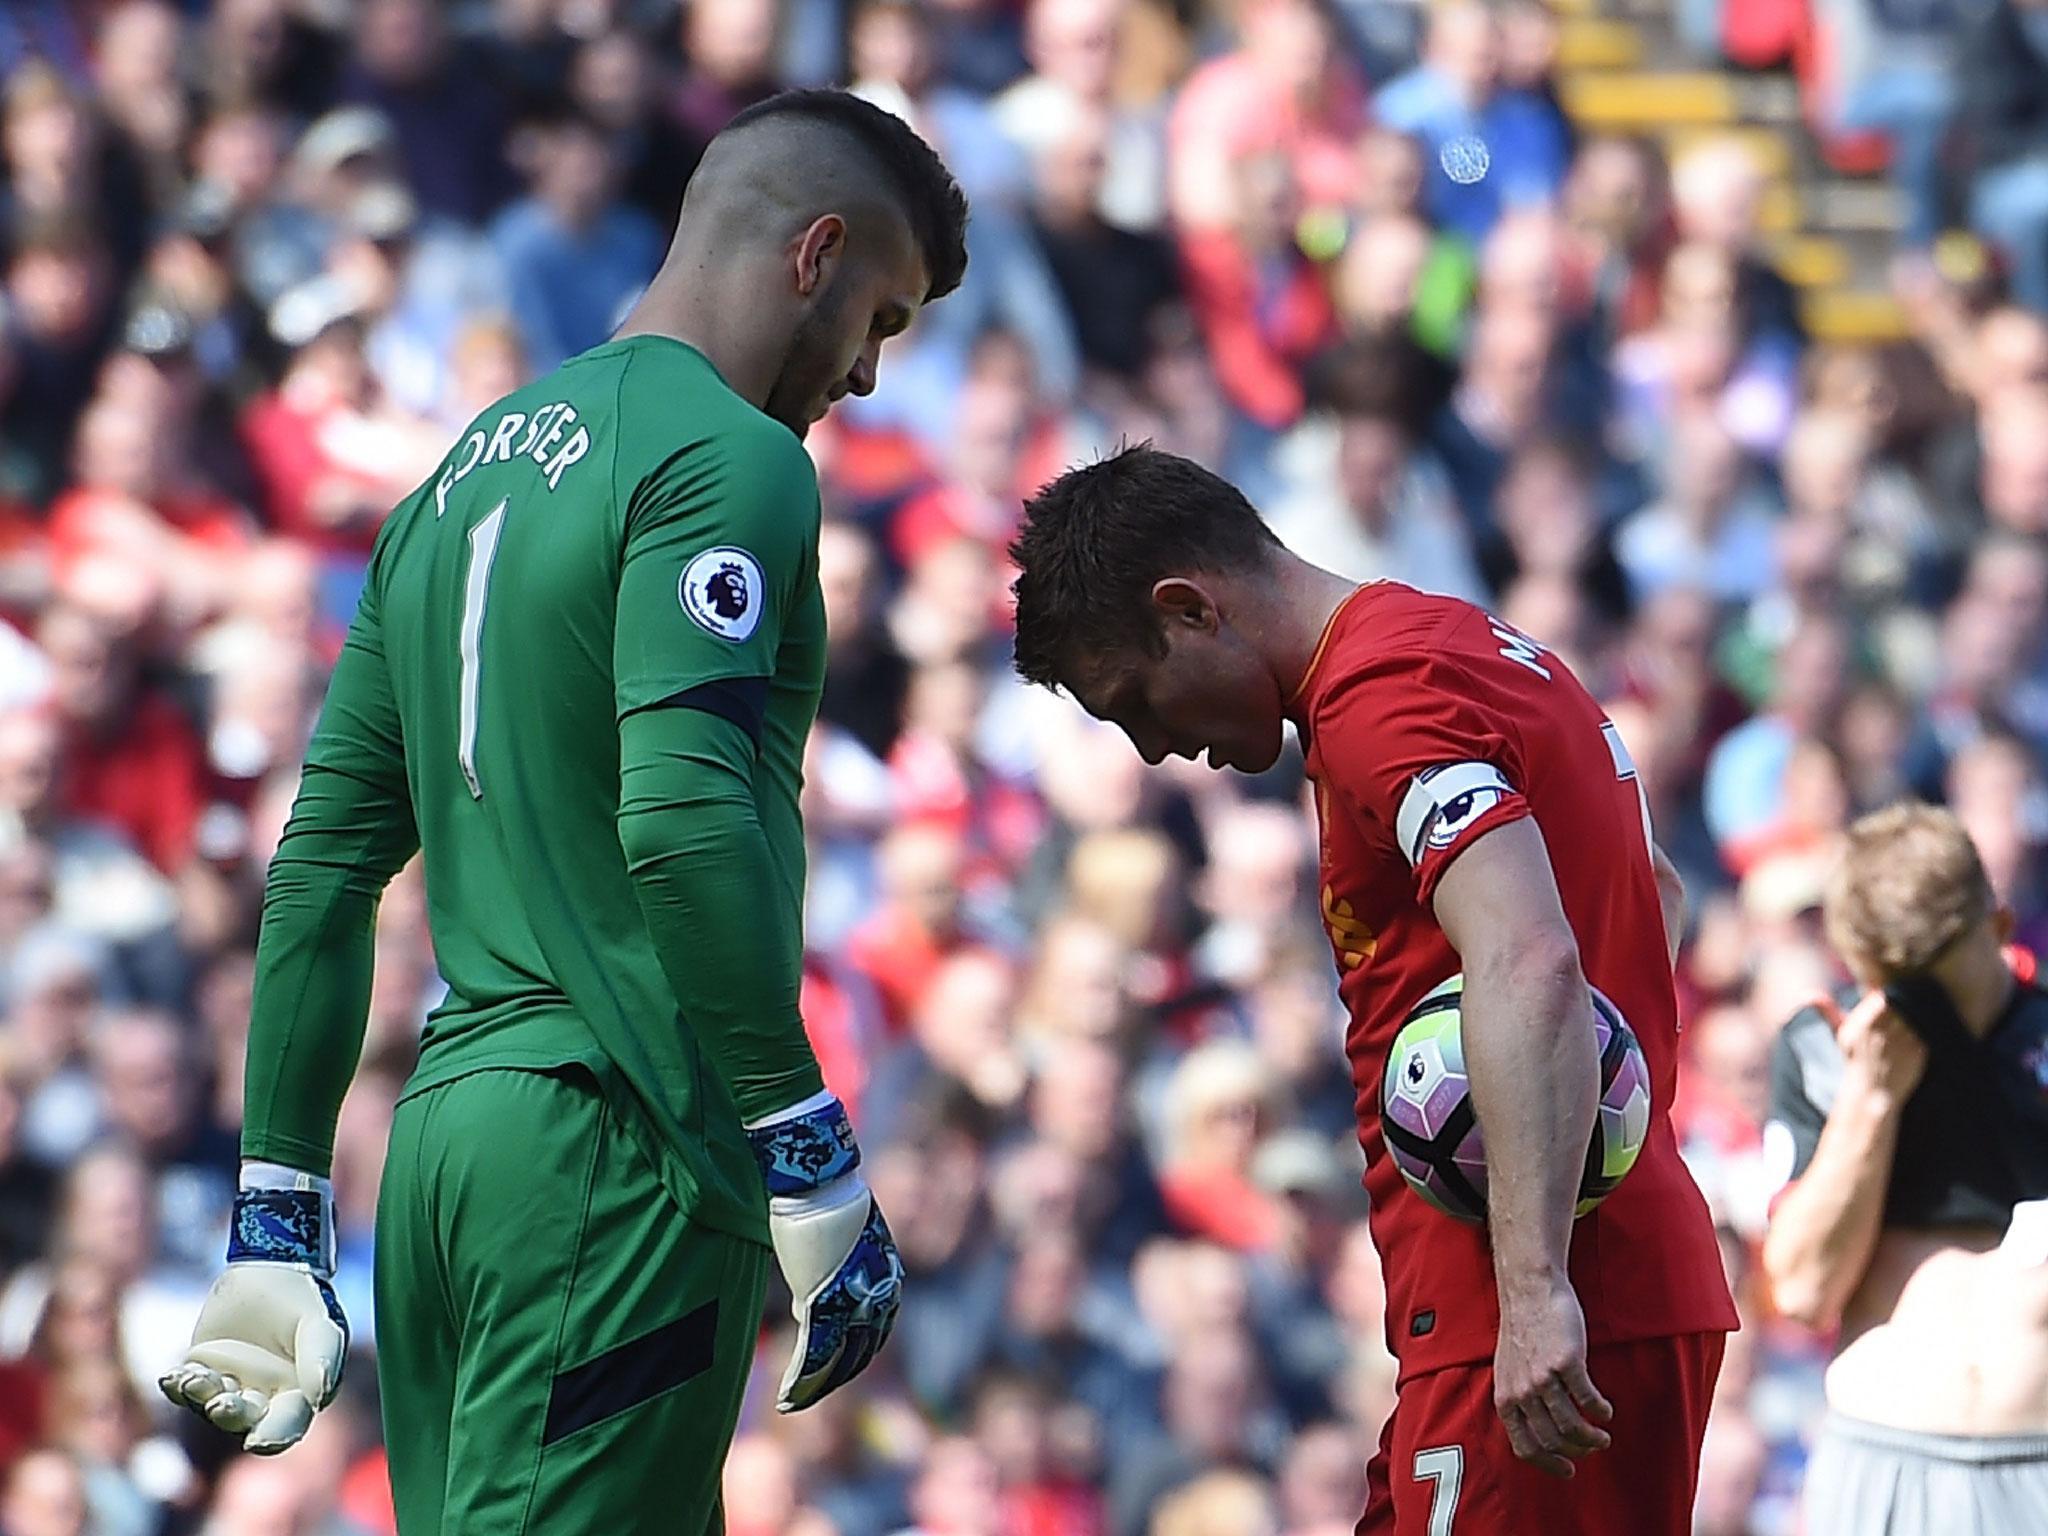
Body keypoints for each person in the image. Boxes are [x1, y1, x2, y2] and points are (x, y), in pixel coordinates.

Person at [157, 88, 969, 1535]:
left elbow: (323, 873)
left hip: (449, 1156)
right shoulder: (732, 460)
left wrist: (278, 1211)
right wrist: (808, 1144)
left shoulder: (451, 484)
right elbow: (682, 818)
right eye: (882, 320)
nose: (865, 376)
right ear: (815, 252)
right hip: (618, 1144)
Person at [1007, 446, 1736, 1533]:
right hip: (1602, 1279)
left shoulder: (1380, 703)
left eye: (1134, 701)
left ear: (1189, 608)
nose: (1154, 747)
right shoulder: (1475, 646)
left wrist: (1533, 1288)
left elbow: (1528, 956)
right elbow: (1654, 894)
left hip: (1535, 1307)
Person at [1761, 803, 2048, 1533]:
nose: (1917, 1006)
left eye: (1934, 981)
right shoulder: (1825, 1047)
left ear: (2000, 926)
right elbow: (1800, 1289)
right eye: (1893, 981)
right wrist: (1871, 1100)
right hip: (1882, 1467)